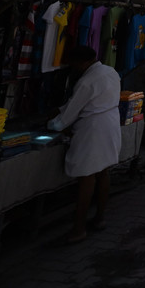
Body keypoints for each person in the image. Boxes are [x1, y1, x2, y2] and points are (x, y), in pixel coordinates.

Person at [48, 45, 122, 243]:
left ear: (81, 62)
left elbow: (71, 112)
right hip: (110, 123)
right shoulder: (110, 71)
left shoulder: (87, 81)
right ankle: (99, 218)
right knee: (104, 171)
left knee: (87, 177)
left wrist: (53, 124)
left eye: (73, 64)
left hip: (94, 130)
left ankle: (78, 229)